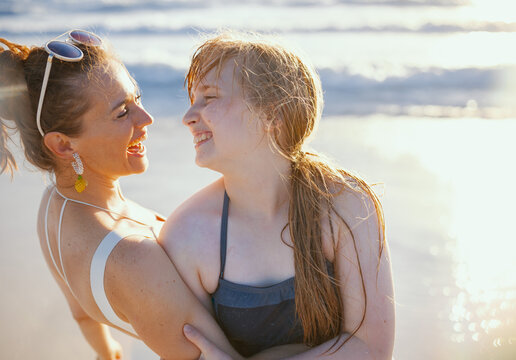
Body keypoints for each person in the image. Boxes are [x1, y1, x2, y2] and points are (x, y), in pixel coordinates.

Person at [0, 30, 248, 360]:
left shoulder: (54, 206)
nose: (146, 119)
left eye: (137, 98)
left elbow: (80, 312)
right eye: (121, 112)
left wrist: (108, 353)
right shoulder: (132, 258)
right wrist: (328, 351)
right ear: (63, 144)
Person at [159, 32, 395, 359]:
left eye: (209, 97)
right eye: (191, 101)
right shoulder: (187, 234)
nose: (188, 118)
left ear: (273, 115)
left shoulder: (346, 204)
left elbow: (371, 348)